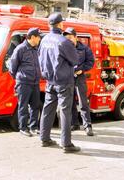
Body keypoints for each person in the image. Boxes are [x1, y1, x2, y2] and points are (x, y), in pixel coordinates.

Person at [38, 13, 80, 153]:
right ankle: (66, 144)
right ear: (60, 24)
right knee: (65, 112)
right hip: (64, 81)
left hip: (50, 81)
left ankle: (45, 138)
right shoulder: (63, 41)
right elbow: (75, 60)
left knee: (48, 109)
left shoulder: (44, 40)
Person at [9, 28, 41, 137]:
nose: (39, 39)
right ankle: (23, 128)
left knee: (35, 105)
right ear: (32, 37)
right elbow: (12, 67)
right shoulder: (20, 49)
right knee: (23, 106)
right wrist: (20, 78)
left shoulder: (36, 49)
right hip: (24, 83)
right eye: (38, 37)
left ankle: (34, 127)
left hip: (35, 82)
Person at [63, 27, 95, 136]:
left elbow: (91, 61)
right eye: (66, 38)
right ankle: (74, 124)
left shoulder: (85, 49)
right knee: (70, 102)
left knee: (83, 102)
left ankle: (87, 125)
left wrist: (82, 69)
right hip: (69, 77)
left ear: (76, 37)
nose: (68, 40)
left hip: (80, 77)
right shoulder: (64, 48)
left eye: (70, 37)